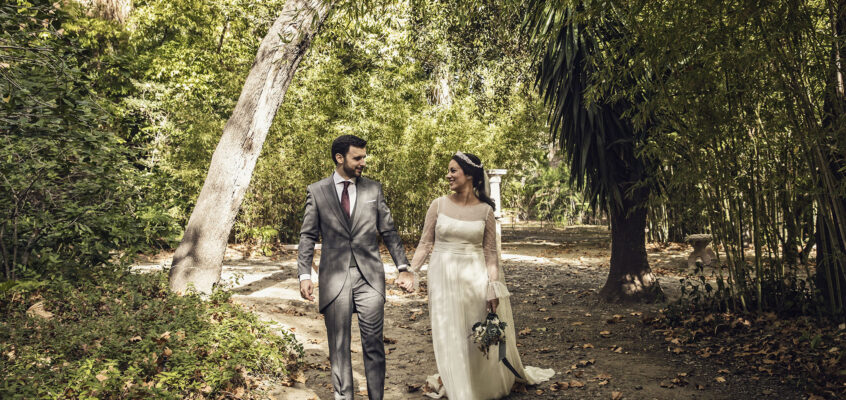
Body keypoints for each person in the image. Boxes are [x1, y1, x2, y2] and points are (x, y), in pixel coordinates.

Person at [409, 151, 555, 399]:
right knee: (448, 332)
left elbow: (490, 253)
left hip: (474, 277)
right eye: (449, 170)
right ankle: (459, 387)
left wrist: (492, 287)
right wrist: (411, 272)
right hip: (442, 277)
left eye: (453, 170)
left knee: (472, 333)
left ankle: (476, 384)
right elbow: (425, 243)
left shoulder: (485, 211)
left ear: (469, 175)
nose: (448, 175)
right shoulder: (438, 204)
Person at [297, 134, 415, 400]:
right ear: (340, 158)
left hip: (370, 278)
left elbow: (389, 230)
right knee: (338, 348)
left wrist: (403, 267)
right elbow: (307, 235)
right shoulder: (316, 191)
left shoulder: (374, 189)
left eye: (364, 156)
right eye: (357, 157)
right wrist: (304, 273)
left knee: (374, 345)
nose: (363, 162)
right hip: (334, 277)